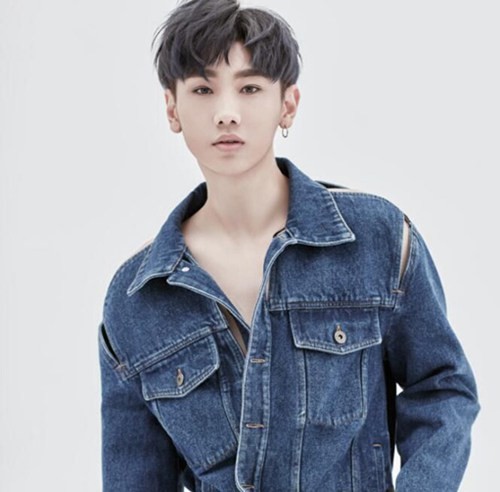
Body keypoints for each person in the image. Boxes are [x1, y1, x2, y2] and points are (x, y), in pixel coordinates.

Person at [97, 0, 480, 490]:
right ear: (172, 108)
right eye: (203, 89)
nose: (226, 113)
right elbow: (134, 477)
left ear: (288, 104)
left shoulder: (374, 239)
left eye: (250, 88)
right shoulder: (136, 299)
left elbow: (443, 388)